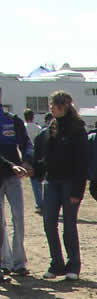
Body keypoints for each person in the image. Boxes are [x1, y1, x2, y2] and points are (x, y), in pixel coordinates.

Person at [40, 91, 88, 280]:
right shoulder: (51, 128)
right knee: (48, 223)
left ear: (65, 106)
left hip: (70, 183)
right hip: (51, 182)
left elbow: (82, 162)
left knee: (69, 226)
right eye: (51, 105)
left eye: (56, 105)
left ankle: (73, 266)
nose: (52, 108)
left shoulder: (77, 129)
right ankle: (56, 263)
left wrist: (78, 191)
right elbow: (45, 157)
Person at [0, 87, 33, 278]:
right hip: (7, 171)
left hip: (14, 177)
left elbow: (26, 143)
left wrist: (27, 160)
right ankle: (4, 262)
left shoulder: (12, 120)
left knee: (18, 218)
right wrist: (11, 165)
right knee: (0, 223)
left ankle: (19, 262)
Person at [30, 113, 52, 214]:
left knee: (36, 183)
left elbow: (36, 147)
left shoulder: (42, 132)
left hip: (39, 161)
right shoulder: (40, 129)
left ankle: (40, 204)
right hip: (50, 162)